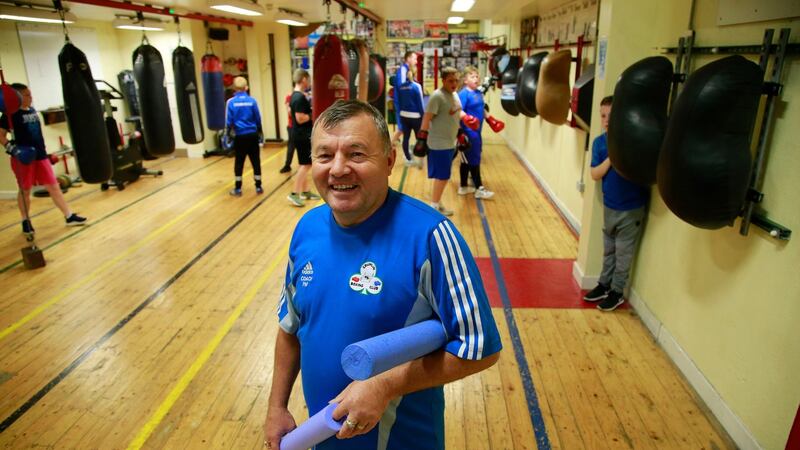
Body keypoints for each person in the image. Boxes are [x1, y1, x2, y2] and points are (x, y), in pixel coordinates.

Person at [263, 100, 502, 450]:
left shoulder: (431, 236)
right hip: (321, 437)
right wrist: (276, 406)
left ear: (389, 161)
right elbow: (290, 327)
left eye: (357, 154)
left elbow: (480, 348)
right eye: (325, 155)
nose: (338, 169)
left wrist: (385, 385)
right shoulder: (306, 229)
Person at [583, 95, 649, 311]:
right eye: (603, 116)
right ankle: (604, 284)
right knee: (609, 251)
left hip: (631, 208)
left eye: (611, 116)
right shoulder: (599, 143)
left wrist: (621, 149)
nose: (606, 120)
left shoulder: (633, 141)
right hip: (610, 206)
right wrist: (612, 157)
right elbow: (595, 174)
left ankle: (617, 292)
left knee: (623, 254)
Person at [0, 83, 86, 236]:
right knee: (25, 190)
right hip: (23, 159)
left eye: (30, 94)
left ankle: (69, 216)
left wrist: (46, 153)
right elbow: (1, 135)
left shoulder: (32, 110)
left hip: (40, 155)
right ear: (17, 96)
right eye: (27, 95)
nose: (30, 97)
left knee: (53, 186)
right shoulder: (10, 115)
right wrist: (12, 149)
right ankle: (25, 221)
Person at [414, 67, 481, 216]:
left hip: (450, 142)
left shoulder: (455, 95)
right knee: (443, 176)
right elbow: (427, 117)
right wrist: (421, 139)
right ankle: (434, 208)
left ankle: (436, 203)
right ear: (443, 80)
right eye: (450, 81)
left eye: (456, 80)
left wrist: (465, 120)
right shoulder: (437, 97)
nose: (454, 84)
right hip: (439, 144)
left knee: (442, 176)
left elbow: (457, 112)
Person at [457, 66, 494, 200]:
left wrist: (490, 119)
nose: (476, 79)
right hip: (468, 132)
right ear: (465, 80)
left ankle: (463, 187)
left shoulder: (478, 93)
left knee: (466, 160)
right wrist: (460, 132)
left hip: (477, 131)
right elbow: (457, 111)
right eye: (472, 76)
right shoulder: (463, 94)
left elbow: (481, 108)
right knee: (474, 159)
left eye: (477, 76)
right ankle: (479, 188)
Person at [286, 68, 321, 207]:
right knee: (306, 165)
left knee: (304, 164)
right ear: (304, 79)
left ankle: (305, 191)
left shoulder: (294, 96)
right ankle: (294, 194)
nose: (310, 82)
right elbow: (300, 118)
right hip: (302, 134)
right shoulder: (299, 98)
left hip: (299, 134)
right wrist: (314, 114)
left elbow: (291, 113)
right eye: (309, 80)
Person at [225, 76, 264, 196]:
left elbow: (229, 121)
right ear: (246, 87)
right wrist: (260, 132)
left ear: (234, 88)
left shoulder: (231, 102)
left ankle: (238, 188)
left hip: (240, 136)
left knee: (239, 162)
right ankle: (258, 186)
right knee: (255, 160)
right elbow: (258, 118)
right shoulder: (252, 101)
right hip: (252, 135)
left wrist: (228, 134)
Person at [392, 51, 424, 168]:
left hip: (404, 108)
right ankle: (387, 147)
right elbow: (402, 87)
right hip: (401, 104)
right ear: (408, 58)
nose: (416, 61)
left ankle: (407, 154)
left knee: (403, 131)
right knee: (401, 129)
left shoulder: (405, 70)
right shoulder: (403, 70)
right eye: (414, 58)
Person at [279, 90, 294, 174]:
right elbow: (289, 112)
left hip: (303, 126)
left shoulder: (305, 95)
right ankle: (287, 165)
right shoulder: (289, 96)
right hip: (292, 126)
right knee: (291, 146)